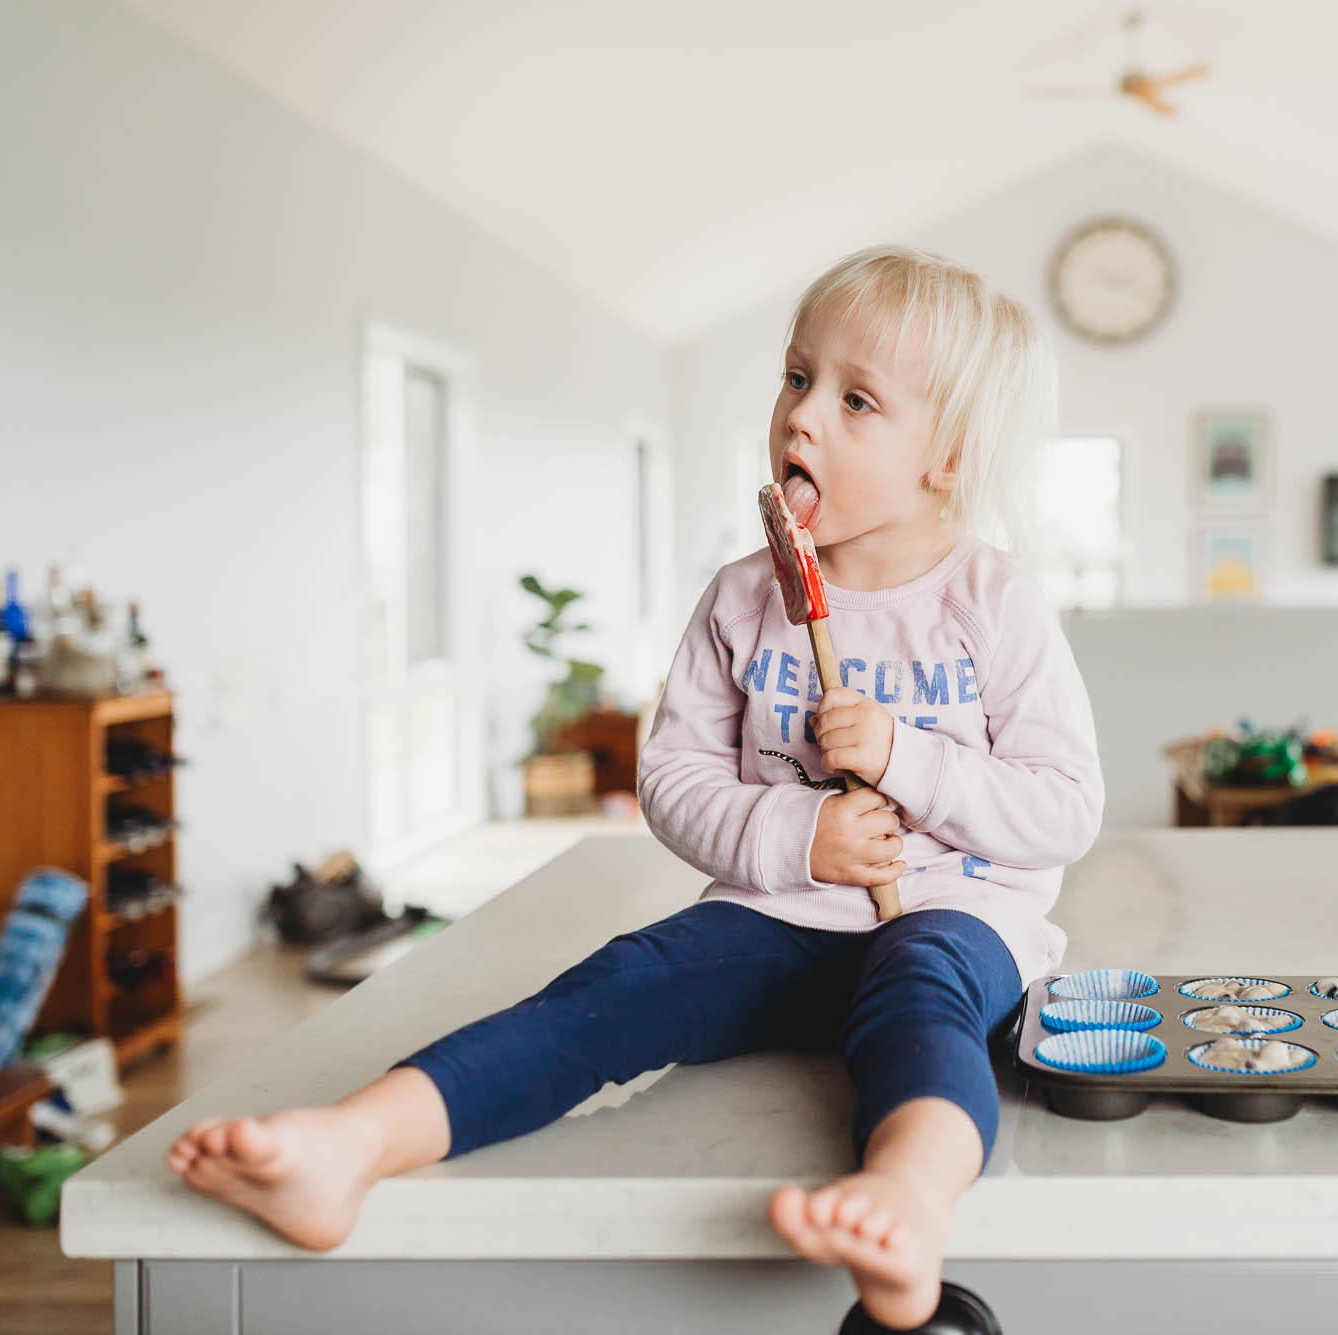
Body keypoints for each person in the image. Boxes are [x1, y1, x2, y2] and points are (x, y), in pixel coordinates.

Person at [167, 244, 1104, 1330]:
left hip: (949, 913)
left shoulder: (991, 601)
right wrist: (798, 835)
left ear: (945, 457)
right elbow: (673, 781)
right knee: (610, 990)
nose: (802, 418)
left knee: (924, 1010)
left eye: (856, 402)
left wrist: (907, 758)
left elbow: (1062, 807)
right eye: (797, 378)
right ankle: (353, 1144)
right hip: (774, 914)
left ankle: (906, 1204)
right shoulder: (742, 599)